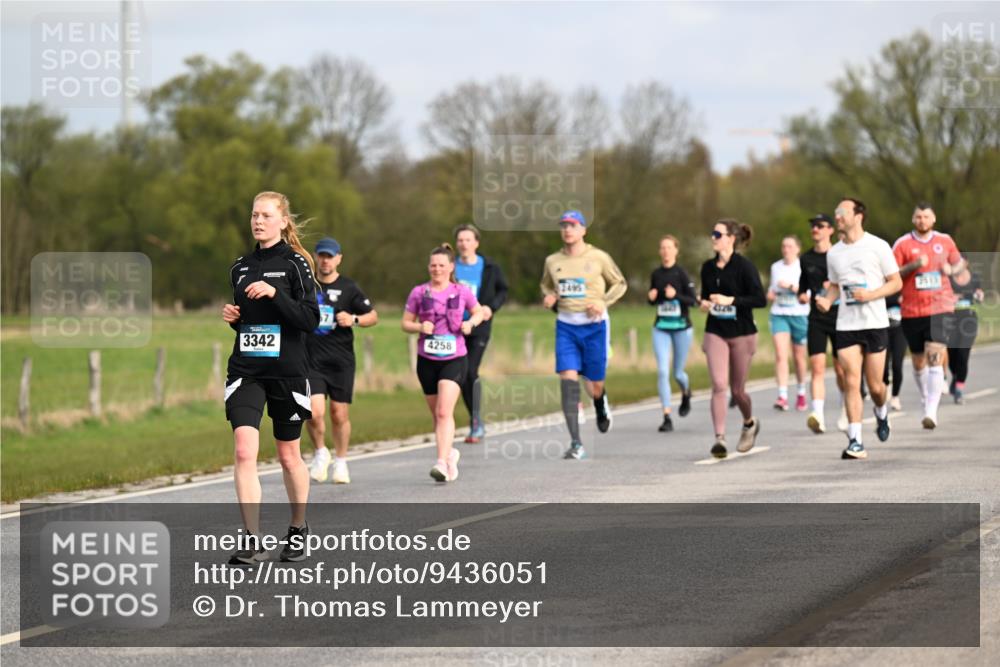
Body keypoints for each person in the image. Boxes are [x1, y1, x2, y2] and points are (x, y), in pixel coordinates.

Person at [221, 191, 319, 564]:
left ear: (282, 221)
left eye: (265, 215)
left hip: (287, 373)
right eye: (253, 215)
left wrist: (276, 293)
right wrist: (234, 319)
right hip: (246, 370)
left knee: (288, 454)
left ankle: (298, 528)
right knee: (245, 450)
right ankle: (252, 538)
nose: (258, 221)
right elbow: (250, 324)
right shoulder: (239, 267)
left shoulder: (296, 265)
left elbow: (309, 320)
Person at [815, 198, 901, 460]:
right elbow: (833, 284)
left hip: (874, 323)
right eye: (836, 213)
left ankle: (881, 411)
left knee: (876, 387)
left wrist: (872, 294)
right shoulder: (834, 252)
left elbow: (896, 282)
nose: (838, 217)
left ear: (859, 216)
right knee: (852, 381)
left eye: (842, 213)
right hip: (847, 325)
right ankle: (855, 441)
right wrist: (827, 300)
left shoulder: (878, 246)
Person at [540, 210, 627, 460]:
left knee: (593, 385)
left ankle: (600, 403)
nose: (568, 230)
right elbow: (545, 284)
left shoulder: (598, 257)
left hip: (594, 326)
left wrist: (603, 302)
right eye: (564, 225)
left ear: (583, 230)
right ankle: (576, 443)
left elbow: (620, 283)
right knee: (568, 382)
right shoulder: (552, 261)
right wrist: (549, 296)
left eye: (573, 225)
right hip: (566, 326)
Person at [402, 243, 485, 482]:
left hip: (455, 358)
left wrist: (471, 323)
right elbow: (405, 323)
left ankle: (441, 463)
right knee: (437, 415)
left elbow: (478, 311)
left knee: (443, 412)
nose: (436, 269)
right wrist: (419, 326)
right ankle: (449, 454)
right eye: (433, 265)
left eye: (441, 265)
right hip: (426, 360)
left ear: (451, 266)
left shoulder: (462, 292)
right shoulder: (419, 292)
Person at [305, 238, 378, 485]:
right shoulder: (306, 285)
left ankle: (342, 461)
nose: (325, 260)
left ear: (339, 259)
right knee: (314, 412)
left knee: (339, 414)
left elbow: (373, 316)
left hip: (340, 360)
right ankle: (319, 452)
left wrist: (355, 319)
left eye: (330, 256)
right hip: (310, 359)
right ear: (315, 257)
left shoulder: (349, 287)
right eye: (322, 256)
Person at [892, 203, 966, 429]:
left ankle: (931, 411)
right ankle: (926, 397)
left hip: (940, 308)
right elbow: (892, 275)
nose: (922, 220)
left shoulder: (945, 240)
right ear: (913, 220)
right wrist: (913, 265)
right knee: (918, 362)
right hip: (912, 310)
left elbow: (960, 262)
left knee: (935, 357)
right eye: (918, 217)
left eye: (926, 216)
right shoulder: (902, 244)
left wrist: (951, 270)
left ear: (933, 219)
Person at [699, 219, 767, 459]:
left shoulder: (745, 267)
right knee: (719, 385)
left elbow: (760, 300)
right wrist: (705, 303)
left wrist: (731, 301)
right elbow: (706, 297)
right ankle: (720, 438)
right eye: (712, 233)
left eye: (717, 234)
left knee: (737, 391)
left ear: (731, 238)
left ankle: (749, 422)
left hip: (743, 333)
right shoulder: (707, 267)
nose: (713, 237)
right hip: (715, 331)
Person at [453, 223, 509, 444]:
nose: (464, 244)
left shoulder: (490, 267)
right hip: (454, 327)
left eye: (468, 240)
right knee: (459, 373)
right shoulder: (450, 267)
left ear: (476, 243)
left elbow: (503, 290)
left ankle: (475, 420)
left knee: (469, 371)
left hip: (479, 327)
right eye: (460, 240)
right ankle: (460, 418)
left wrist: (490, 308)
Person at [798, 214, 848, 434]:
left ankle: (847, 405)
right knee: (817, 367)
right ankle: (817, 414)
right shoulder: (806, 258)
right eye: (812, 226)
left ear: (830, 230)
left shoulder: (840, 254)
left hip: (841, 317)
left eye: (819, 226)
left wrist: (834, 288)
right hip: (816, 318)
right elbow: (803, 286)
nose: (815, 229)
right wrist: (802, 295)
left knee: (840, 369)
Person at [647, 235, 697, 432]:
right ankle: (666, 416)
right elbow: (654, 300)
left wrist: (675, 295)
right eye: (663, 247)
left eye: (669, 247)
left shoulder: (682, 274)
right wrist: (651, 298)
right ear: (660, 252)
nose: (666, 251)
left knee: (677, 373)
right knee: (662, 371)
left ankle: (686, 391)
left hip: (682, 328)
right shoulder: (656, 274)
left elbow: (692, 300)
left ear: (676, 251)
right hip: (661, 327)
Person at [768, 235, 810, 412]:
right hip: (779, 314)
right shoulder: (775, 267)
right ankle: (782, 395)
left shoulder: (804, 266)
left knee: (799, 358)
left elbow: (807, 296)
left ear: (798, 249)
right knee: (780, 354)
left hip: (799, 315)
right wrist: (771, 294)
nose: (786, 249)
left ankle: (801, 393)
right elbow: (771, 291)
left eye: (790, 246)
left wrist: (792, 287)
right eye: (784, 246)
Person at [947, 264, 984, 404]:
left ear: (966, 263)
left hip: (969, 320)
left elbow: (979, 293)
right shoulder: (948, 278)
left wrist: (980, 295)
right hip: (951, 320)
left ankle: (958, 390)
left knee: (963, 353)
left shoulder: (973, 277)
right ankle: (956, 376)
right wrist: (952, 298)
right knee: (951, 355)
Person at [883, 291, 906, 411]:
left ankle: (895, 396)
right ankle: (886, 384)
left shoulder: (901, 284)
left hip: (900, 329)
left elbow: (907, 301)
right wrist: (896, 301)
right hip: (882, 330)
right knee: (883, 366)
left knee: (897, 364)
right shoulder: (878, 282)